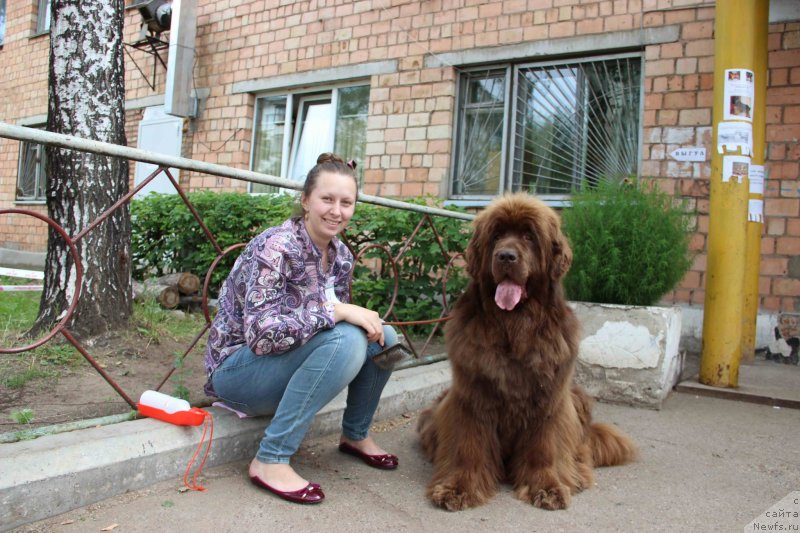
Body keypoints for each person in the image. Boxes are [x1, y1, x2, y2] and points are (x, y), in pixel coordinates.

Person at [204, 153, 400, 505]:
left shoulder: (340, 256)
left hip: (282, 371)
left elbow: (331, 323)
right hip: (238, 373)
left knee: (384, 338)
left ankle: (355, 435)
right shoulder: (276, 247)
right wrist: (335, 311)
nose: (336, 211)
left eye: (346, 202)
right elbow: (263, 337)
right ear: (306, 200)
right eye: (327, 199)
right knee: (346, 339)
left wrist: (343, 314)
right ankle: (271, 458)